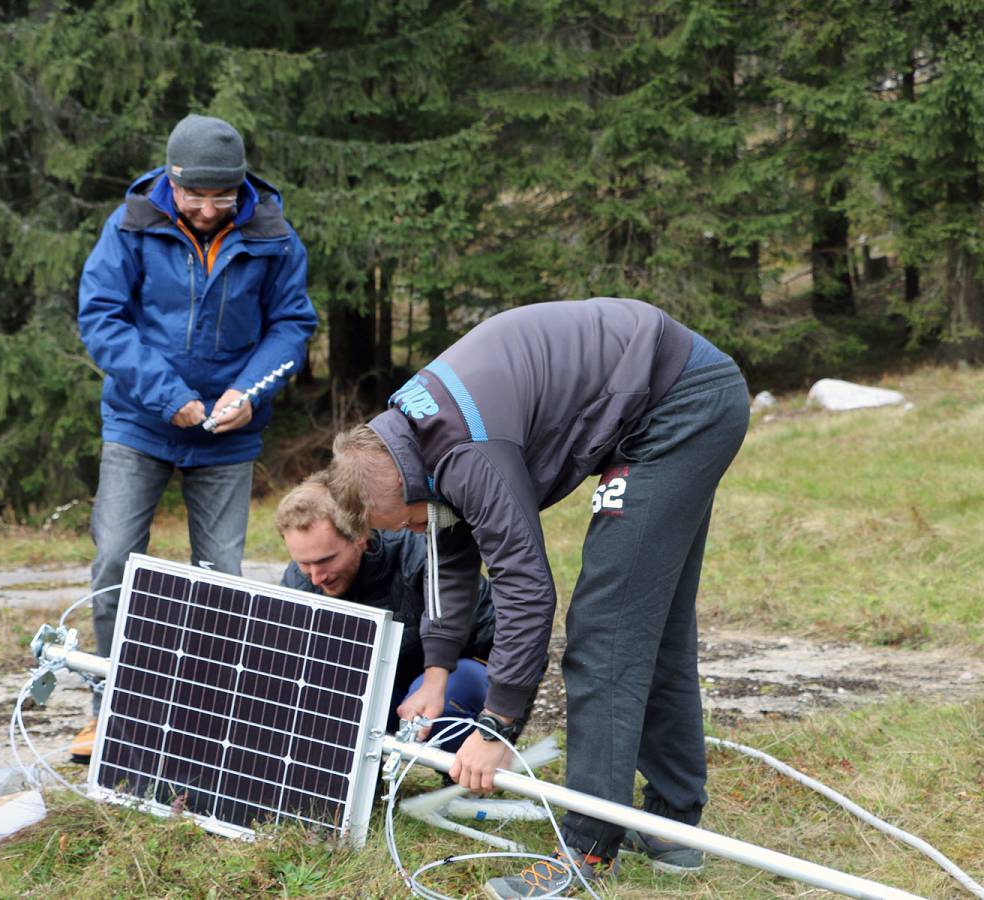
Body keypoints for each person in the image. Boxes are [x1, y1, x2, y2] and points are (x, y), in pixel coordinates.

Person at [326, 298, 749, 898]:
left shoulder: (467, 453)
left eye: (409, 520)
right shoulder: (411, 435)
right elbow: (450, 544)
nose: (415, 530)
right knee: (653, 629)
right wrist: (439, 672)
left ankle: (586, 851)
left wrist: (496, 725)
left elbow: (525, 589)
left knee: (606, 629)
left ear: (410, 481)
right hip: (675, 394)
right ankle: (668, 828)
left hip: (680, 405)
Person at [72, 113, 317, 758]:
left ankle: (206, 718)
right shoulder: (130, 225)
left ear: (240, 187)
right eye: (194, 195)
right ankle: (110, 710)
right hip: (139, 421)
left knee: (220, 577)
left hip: (230, 432)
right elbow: (101, 319)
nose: (208, 209)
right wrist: (169, 396)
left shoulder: (275, 235)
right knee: (117, 559)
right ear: (171, 182)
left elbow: (291, 326)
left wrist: (249, 391)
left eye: (222, 195)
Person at [276, 473, 496, 753]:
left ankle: (461, 779)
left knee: (452, 690)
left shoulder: (420, 556)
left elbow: (505, 645)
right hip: (378, 693)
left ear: (359, 536)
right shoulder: (300, 583)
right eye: (304, 564)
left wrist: (499, 729)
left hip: (451, 677)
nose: (316, 577)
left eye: (326, 560)